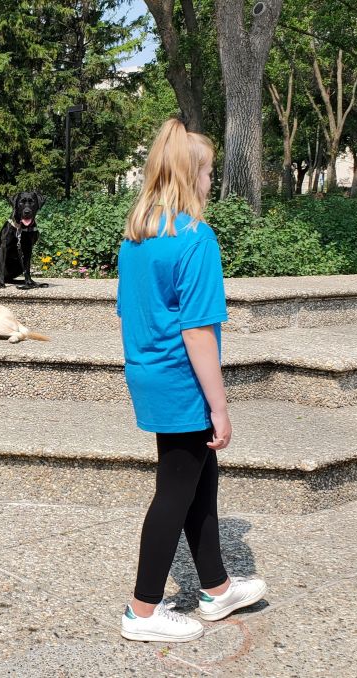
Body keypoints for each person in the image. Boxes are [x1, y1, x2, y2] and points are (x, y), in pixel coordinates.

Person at [116, 118, 266, 643]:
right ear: (189, 174)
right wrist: (219, 406)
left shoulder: (137, 237)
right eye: (207, 173)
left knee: (201, 479)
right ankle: (143, 610)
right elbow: (199, 331)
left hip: (149, 374)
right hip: (182, 380)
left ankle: (217, 589)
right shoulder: (196, 239)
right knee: (174, 494)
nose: (210, 182)